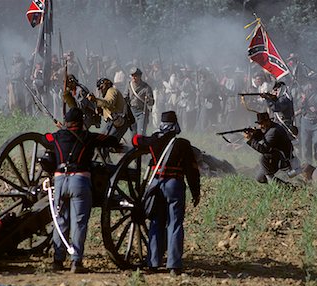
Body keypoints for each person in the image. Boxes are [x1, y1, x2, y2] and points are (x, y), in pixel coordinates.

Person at [43, 107, 119, 273]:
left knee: (60, 221)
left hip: (60, 181)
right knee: (78, 223)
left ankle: (58, 260)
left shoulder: (56, 137)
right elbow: (110, 140)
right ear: (81, 122)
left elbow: (45, 138)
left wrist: (61, 130)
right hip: (80, 181)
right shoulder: (89, 137)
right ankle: (76, 262)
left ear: (67, 122)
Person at [132, 111, 200, 275]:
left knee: (156, 222)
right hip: (174, 184)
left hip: (156, 185)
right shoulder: (183, 144)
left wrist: (140, 136)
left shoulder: (154, 140)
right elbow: (192, 171)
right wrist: (195, 192)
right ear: (175, 125)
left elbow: (136, 140)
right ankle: (174, 265)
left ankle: (153, 263)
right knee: (175, 224)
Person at [243, 112, 294, 184]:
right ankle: (282, 184)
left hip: (282, 157)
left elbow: (263, 149)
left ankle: (277, 184)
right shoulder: (271, 127)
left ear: (268, 121)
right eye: (259, 124)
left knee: (263, 158)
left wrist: (250, 139)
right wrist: (253, 134)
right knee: (260, 178)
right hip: (275, 155)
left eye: (262, 123)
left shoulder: (273, 131)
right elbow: (263, 135)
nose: (260, 126)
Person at [124, 67, 154, 135]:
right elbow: (125, 96)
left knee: (141, 133)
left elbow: (151, 102)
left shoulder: (146, 87)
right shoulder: (129, 85)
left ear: (140, 76)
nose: (134, 77)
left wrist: (148, 99)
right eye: (132, 75)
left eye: (135, 75)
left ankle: (142, 145)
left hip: (142, 112)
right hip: (132, 112)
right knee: (133, 133)